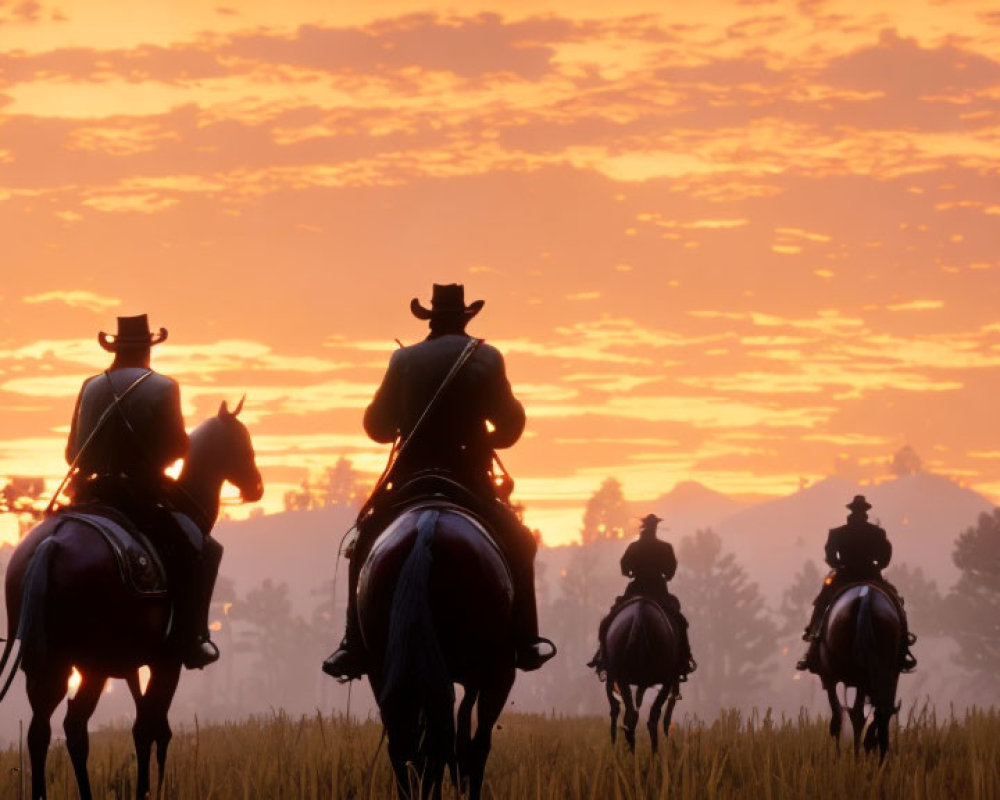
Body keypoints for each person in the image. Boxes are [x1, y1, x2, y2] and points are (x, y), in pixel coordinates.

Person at [323, 284, 554, 680]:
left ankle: (353, 643)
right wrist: (487, 438)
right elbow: (512, 426)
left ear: (429, 319)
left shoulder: (403, 360)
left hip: (412, 480)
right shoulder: (487, 357)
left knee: (362, 544)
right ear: (465, 317)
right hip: (470, 481)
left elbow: (375, 427)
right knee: (519, 542)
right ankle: (526, 638)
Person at [65, 314, 220, 670]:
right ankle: (191, 636)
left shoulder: (90, 385)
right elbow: (178, 450)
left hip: (89, 497)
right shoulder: (165, 387)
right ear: (148, 350)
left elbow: (73, 454)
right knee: (202, 547)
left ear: (115, 349)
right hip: (138, 497)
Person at [796, 495, 917, 673]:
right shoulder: (878, 533)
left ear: (851, 512)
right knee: (896, 601)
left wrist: (838, 566)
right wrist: (877, 566)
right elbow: (885, 557)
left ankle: (813, 636)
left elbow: (830, 557)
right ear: (865, 512)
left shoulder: (837, 533)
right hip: (871, 575)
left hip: (844, 576)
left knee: (822, 601)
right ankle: (903, 643)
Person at [588, 513, 696, 681]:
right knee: (680, 622)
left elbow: (624, 568)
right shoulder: (665, 547)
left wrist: (631, 572)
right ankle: (684, 658)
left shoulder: (634, 546)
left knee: (609, 619)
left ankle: (603, 656)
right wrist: (664, 576)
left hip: (635, 589)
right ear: (655, 528)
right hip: (658, 591)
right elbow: (670, 571)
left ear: (643, 527)